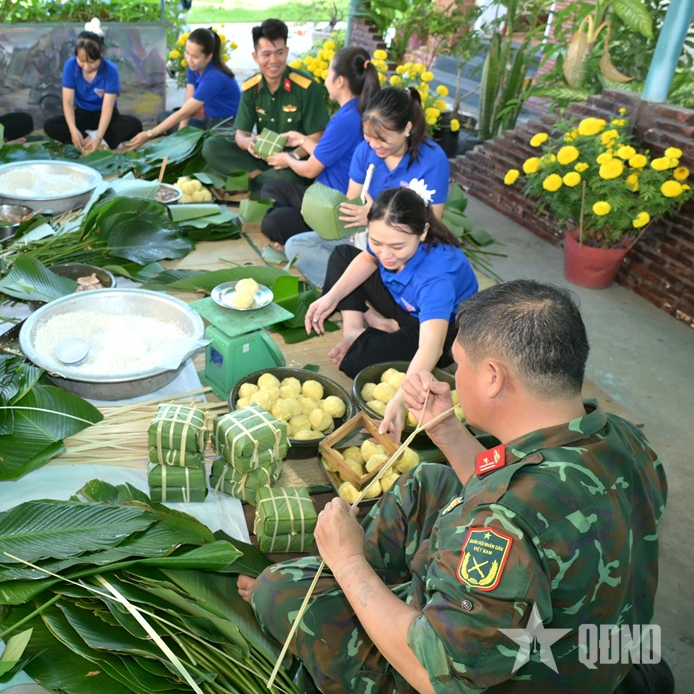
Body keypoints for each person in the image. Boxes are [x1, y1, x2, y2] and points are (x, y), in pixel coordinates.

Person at [239, 280, 667, 692]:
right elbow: (511, 488)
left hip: (503, 677)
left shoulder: (505, 522)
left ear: (493, 378)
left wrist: (348, 561)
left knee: (280, 591)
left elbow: (436, 676)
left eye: (459, 364)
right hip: (593, 646)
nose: (451, 377)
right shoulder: (622, 436)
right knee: (427, 480)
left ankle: (373, 599)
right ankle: (383, 599)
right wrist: (446, 432)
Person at [305, 186, 477, 427]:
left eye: (397, 247)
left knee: (356, 363)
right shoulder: (386, 245)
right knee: (343, 255)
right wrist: (330, 298)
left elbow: (431, 345)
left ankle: (379, 327)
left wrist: (400, 399)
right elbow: (367, 258)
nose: (385, 255)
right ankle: (358, 330)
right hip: (403, 302)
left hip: (434, 329)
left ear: (423, 232)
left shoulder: (436, 278)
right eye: (376, 242)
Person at [286, 86, 451, 288]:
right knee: (297, 246)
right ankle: (364, 290)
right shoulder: (365, 151)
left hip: (404, 250)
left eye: (383, 138)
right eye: (368, 136)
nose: (374, 145)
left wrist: (374, 218)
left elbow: (432, 225)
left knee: (425, 270)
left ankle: (360, 290)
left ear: (407, 128)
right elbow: (351, 205)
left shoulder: (433, 160)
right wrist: (319, 213)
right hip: (366, 241)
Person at [259, 46, 379, 247]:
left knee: (272, 222)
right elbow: (329, 154)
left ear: (339, 81)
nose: (326, 79)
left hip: (332, 204)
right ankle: (299, 228)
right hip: (327, 191)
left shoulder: (345, 120)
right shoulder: (361, 108)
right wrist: (302, 140)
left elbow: (309, 169)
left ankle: (312, 236)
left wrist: (287, 159)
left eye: (329, 73)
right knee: (272, 189)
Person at [201, 19, 330, 195]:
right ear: (255, 56)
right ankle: (258, 178)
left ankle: (256, 183)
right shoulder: (251, 88)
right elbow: (241, 133)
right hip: (263, 159)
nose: (273, 61)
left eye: (279, 53)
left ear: (287, 52)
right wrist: (248, 143)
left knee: (282, 178)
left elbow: (317, 137)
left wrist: (292, 157)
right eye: (266, 54)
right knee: (211, 145)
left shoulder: (306, 87)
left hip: (294, 163)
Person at [127, 27, 240, 150]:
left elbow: (184, 113)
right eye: (187, 53)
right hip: (208, 119)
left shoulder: (214, 77)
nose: (189, 59)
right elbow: (186, 106)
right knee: (163, 117)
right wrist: (180, 137)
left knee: (208, 146)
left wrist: (150, 134)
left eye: (195, 56)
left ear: (208, 57)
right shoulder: (193, 67)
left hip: (225, 125)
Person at [43, 19, 143, 153]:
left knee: (134, 125)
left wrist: (99, 136)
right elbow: (68, 102)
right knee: (51, 125)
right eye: (81, 61)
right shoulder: (70, 66)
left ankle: (96, 138)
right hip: (82, 115)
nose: (86, 66)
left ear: (101, 54)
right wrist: (73, 130)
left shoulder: (110, 70)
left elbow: (107, 108)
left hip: (106, 116)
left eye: (91, 62)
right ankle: (86, 138)